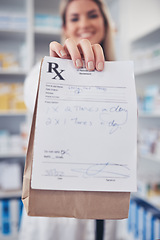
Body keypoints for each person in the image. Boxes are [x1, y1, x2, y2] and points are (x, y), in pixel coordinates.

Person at [19, 1, 117, 239]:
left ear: (105, 22)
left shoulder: (121, 77)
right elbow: (34, 95)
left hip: (108, 209)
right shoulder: (44, 69)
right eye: (74, 18)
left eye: (92, 15)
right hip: (58, 221)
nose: (84, 24)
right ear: (64, 26)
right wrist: (59, 74)